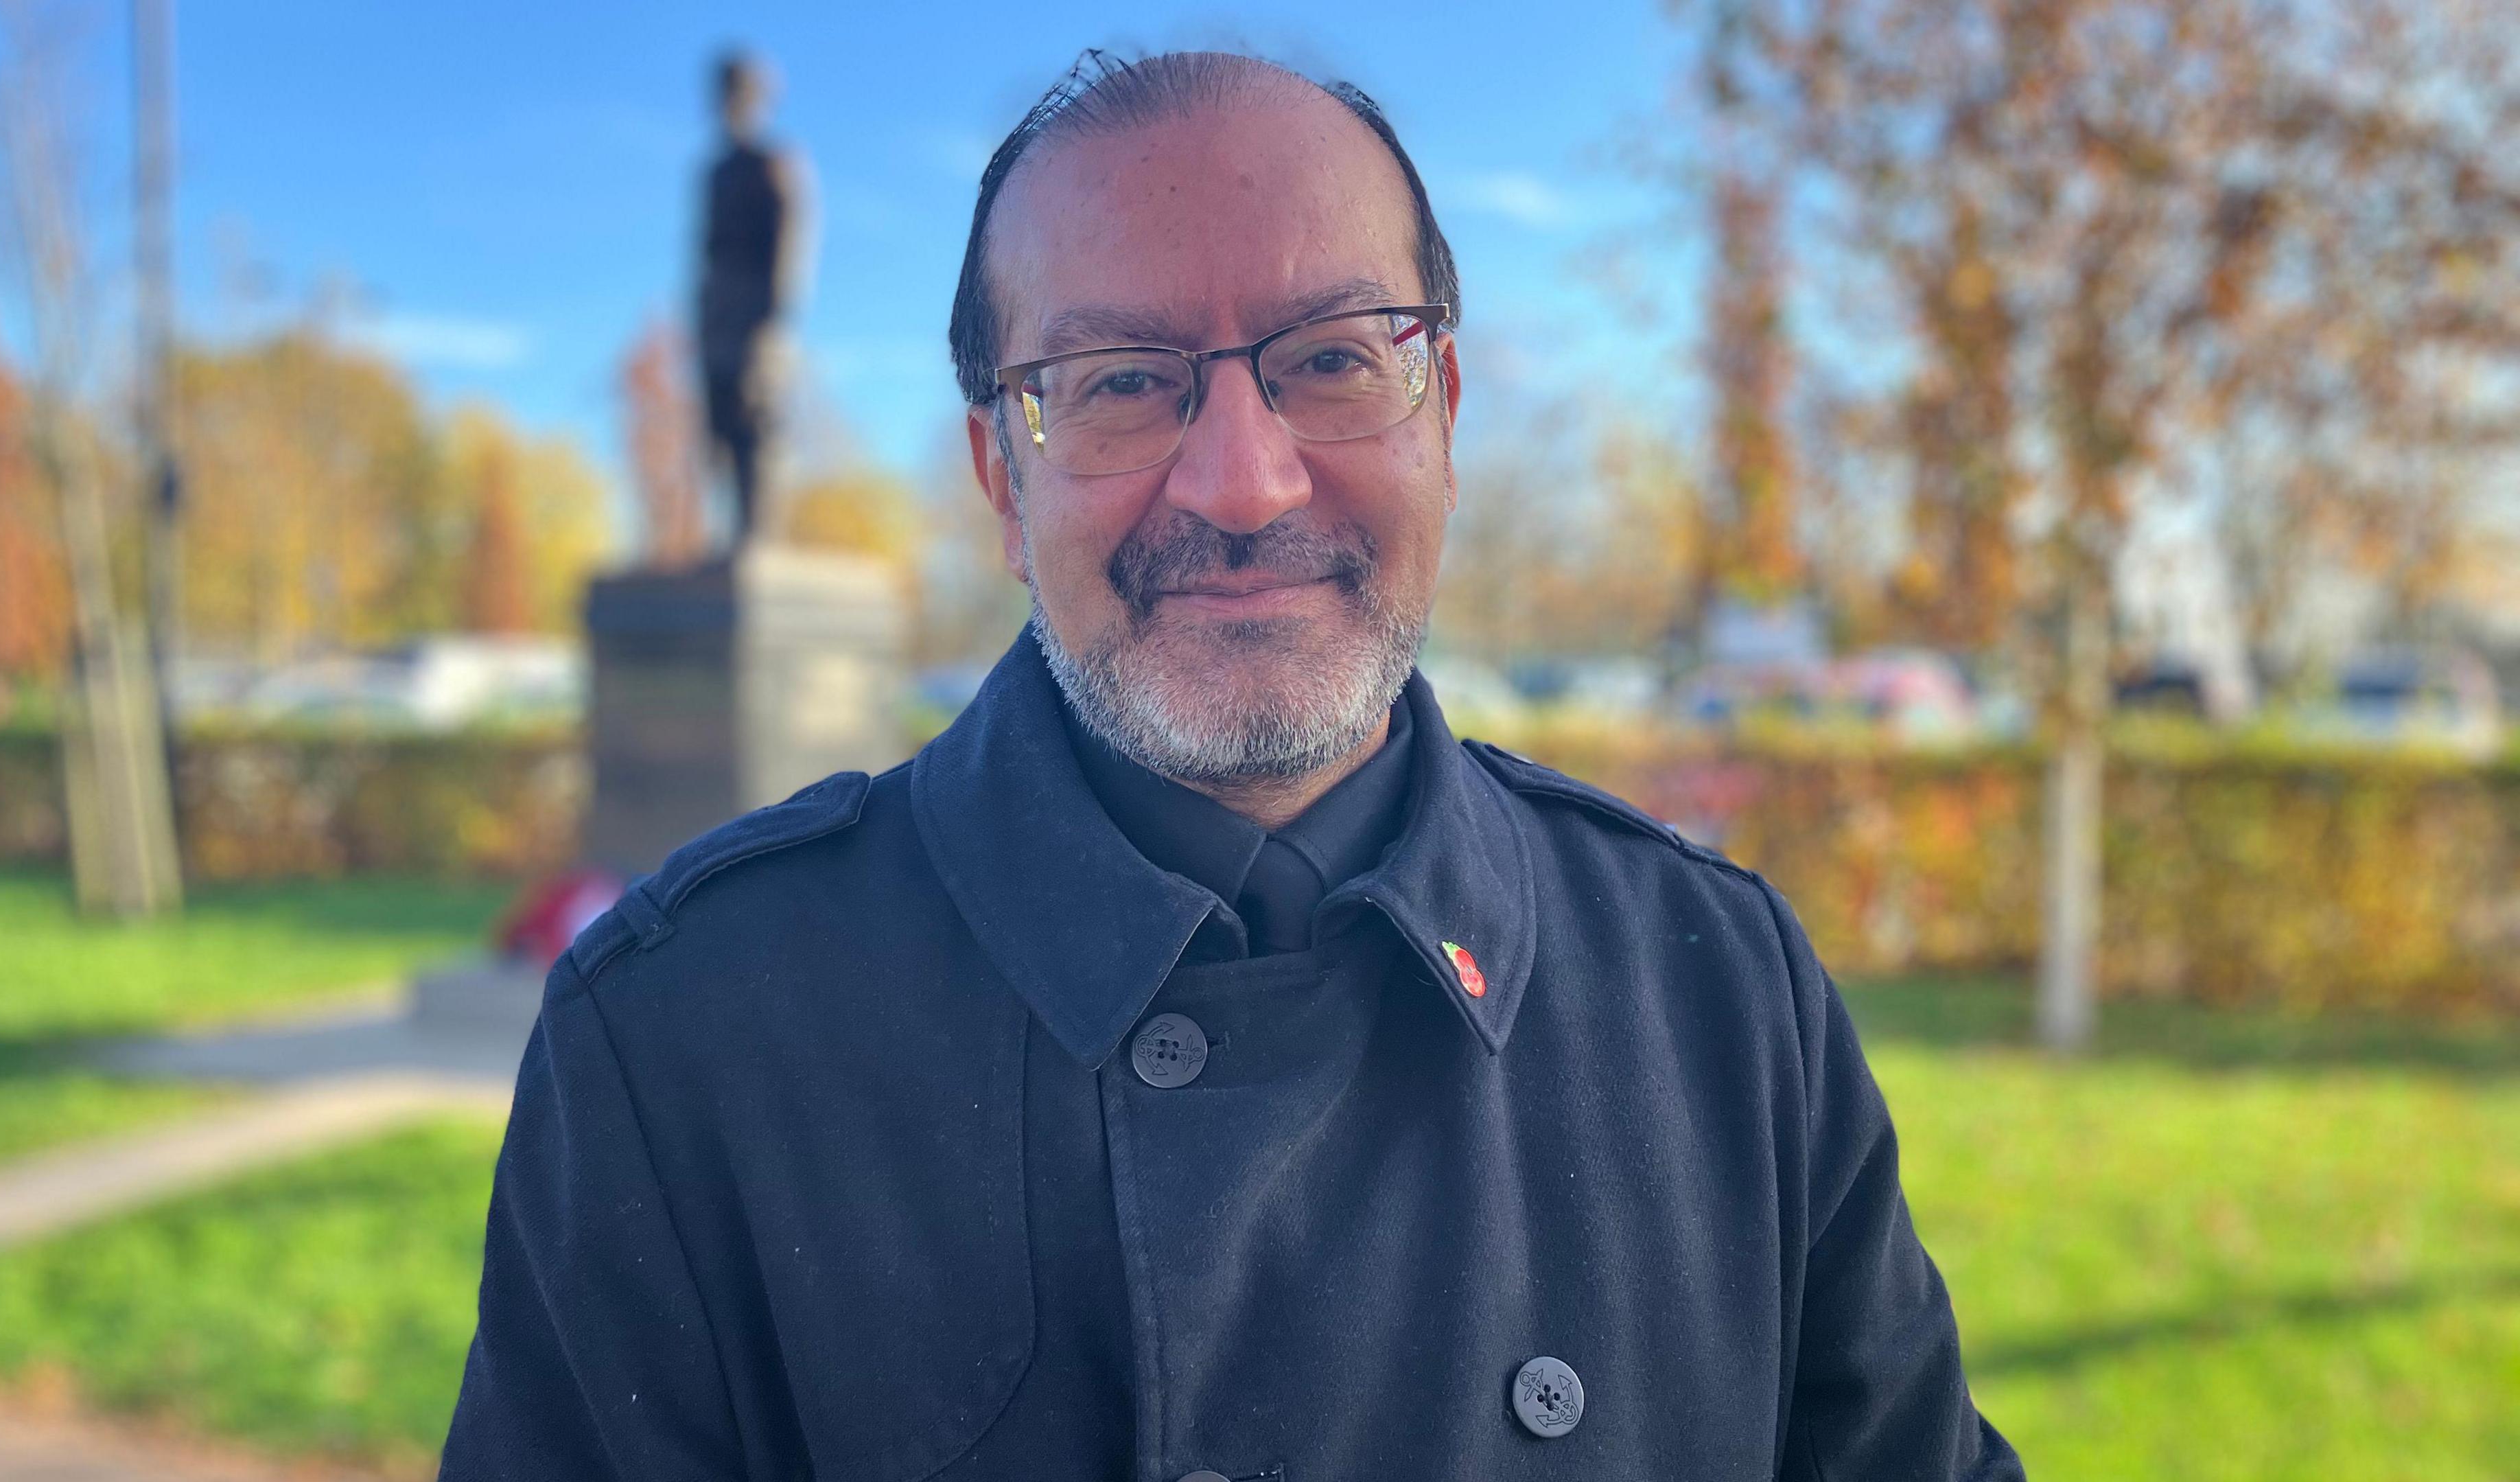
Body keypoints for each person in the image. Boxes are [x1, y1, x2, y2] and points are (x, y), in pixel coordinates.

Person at [441, 49, 2022, 1481]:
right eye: (1121, 382)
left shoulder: (1717, 994)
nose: (1247, 483)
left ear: (1444, 409)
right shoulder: (683, 1043)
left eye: (1332, 358)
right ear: (1000, 471)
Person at [695, 50, 806, 541]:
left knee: (754, 427)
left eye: (740, 94)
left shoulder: (774, 163)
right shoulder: (715, 174)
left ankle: (758, 538)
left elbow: (789, 244)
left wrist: (774, 321)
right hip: (717, 320)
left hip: (755, 319)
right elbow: (705, 253)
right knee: (718, 429)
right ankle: (734, 537)